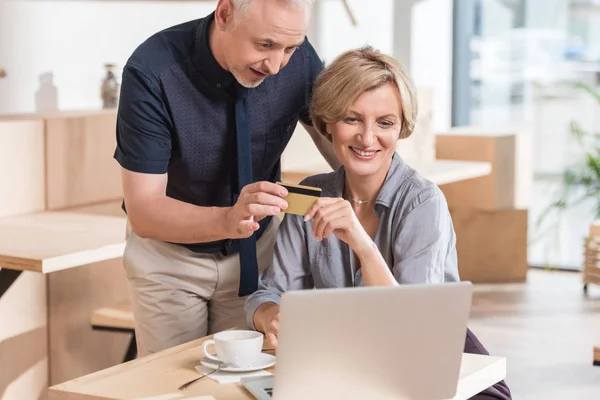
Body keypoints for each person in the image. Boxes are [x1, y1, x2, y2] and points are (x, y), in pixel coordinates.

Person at [245, 46, 512, 399]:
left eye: (385, 123)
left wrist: (362, 243)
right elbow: (267, 293)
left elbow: (411, 328)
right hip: (348, 367)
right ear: (327, 123)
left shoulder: (422, 202)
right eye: (352, 119)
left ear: (401, 128)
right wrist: (271, 316)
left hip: (432, 370)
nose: (368, 138)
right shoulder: (312, 195)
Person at [114, 0, 339, 356]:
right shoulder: (153, 70)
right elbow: (144, 210)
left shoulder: (298, 58)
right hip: (171, 260)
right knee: (173, 389)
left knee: (246, 387)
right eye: (264, 45)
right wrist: (229, 219)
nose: (277, 65)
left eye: (290, 48)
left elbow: (340, 144)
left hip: (258, 256)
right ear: (225, 14)